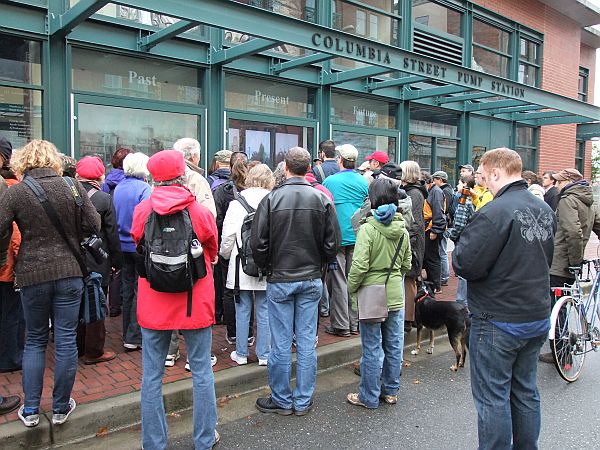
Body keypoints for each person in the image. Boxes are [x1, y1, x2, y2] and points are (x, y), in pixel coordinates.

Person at [453, 148, 556, 450]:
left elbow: (465, 264)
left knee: (493, 396)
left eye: (484, 176)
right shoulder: (544, 209)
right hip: (536, 314)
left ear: (496, 172)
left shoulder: (494, 212)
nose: (483, 182)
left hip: (498, 319)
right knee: (525, 391)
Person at [0, 140, 101, 427]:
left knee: (34, 339)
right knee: (66, 338)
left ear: (23, 161)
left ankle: (31, 408)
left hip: (32, 274)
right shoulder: (72, 186)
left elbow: (0, 229)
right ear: (53, 159)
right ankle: (59, 407)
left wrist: (4, 257)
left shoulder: (16, 192)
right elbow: (94, 225)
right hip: (70, 271)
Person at [131, 150, 219, 449]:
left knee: (151, 376)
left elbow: (137, 242)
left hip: (154, 298)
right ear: (183, 175)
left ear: (153, 178)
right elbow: (211, 250)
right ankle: (204, 439)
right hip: (194, 298)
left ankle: (154, 443)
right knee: (201, 371)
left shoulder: (142, 210)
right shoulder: (200, 212)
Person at [251, 147, 340, 416]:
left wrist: (267, 266)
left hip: (280, 277)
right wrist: (321, 263)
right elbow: (332, 243)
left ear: (286, 168)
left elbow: (258, 243)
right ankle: (302, 400)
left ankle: (281, 399)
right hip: (310, 277)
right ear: (308, 169)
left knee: (280, 343)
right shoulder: (321, 198)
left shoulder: (271, 199)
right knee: (305, 341)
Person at [346, 178, 411, 409]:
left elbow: (359, 265)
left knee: (372, 347)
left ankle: (369, 396)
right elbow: (407, 263)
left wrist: (351, 286)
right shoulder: (402, 228)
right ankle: (391, 391)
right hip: (395, 291)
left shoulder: (367, 228)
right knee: (393, 344)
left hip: (371, 293)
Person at [539, 168, 600, 363]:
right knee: (562, 304)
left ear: (569, 181)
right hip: (569, 263)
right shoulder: (588, 201)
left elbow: (573, 232)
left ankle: (561, 352)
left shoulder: (568, 200)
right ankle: (563, 349)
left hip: (560, 262)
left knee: (557, 307)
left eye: (559, 181)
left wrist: (575, 260)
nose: (556, 185)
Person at [220, 164, 274, 366]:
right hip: (266, 262)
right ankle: (264, 354)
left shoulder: (237, 203)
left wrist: (225, 254)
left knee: (242, 308)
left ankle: (241, 353)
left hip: (240, 263)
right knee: (265, 309)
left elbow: (228, 236)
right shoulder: (274, 200)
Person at [75, 156, 122, 365]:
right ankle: (93, 350)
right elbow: (112, 234)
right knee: (96, 302)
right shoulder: (104, 198)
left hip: (73, 258)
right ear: (99, 176)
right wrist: (116, 261)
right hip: (97, 258)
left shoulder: (67, 194)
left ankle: (77, 346)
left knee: (75, 303)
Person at [323, 144, 369, 337]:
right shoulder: (364, 181)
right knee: (356, 279)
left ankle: (341, 324)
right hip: (359, 235)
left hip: (338, 236)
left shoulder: (330, 181)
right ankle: (355, 322)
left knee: (339, 281)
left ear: (340, 159)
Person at [213, 153, 254, 346]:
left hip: (229, 245)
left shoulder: (222, 191)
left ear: (230, 168)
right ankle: (248, 332)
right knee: (251, 289)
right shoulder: (254, 192)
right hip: (251, 247)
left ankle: (233, 332)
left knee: (229, 290)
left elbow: (217, 220)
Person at [113, 152, 151, 351]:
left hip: (122, 245)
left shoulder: (119, 187)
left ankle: (127, 333)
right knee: (140, 290)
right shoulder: (144, 189)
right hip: (138, 245)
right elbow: (147, 218)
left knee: (127, 289)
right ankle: (135, 336)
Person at [0, 137, 24, 374]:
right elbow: (15, 234)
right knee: (11, 313)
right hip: (6, 265)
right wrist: (20, 261)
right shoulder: (12, 189)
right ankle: (9, 358)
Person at [101, 147, 133, 318]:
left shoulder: (107, 180)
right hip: (129, 234)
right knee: (127, 274)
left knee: (115, 271)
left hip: (113, 229)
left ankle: (113, 305)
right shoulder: (129, 182)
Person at [399, 160, 426, 332]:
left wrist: (405, 238)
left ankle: (408, 318)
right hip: (413, 241)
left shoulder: (414, 193)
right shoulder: (414, 191)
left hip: (412, 243)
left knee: (409, 279)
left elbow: (415, 223)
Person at [445, 175, 476, 307]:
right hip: (471, 238)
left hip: (464, 239)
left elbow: (459, 224)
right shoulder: (473, 200)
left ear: (465, 185)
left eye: (459, 183)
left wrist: (452, 235)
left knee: (463, 273)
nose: (457, 186)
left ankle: (462, 303)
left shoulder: (464, 202)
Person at [173, 138, 217, 217]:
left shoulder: (163, 176)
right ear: (193, 156)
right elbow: (209, 213)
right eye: (199, 155)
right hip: (190, 224)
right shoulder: (196, 179)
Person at [422, 172, 446, 294]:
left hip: (431, 228)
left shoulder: (436, 192)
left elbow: (438, 212)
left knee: (433, 258)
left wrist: (435, 230)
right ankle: (432, 283)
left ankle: (436, 285)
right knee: (428, 257)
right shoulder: (432, 191)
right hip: (428, 227)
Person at [432, 171, 453, 287]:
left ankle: (444, 277)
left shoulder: (445, 191)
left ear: (440, 180)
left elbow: (444, 209)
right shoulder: (447, 190)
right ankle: (443, 276)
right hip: (446, 224)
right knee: (442, 251)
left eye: (435, 179)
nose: (433, 182)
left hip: (445, 225)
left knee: (442, 252)